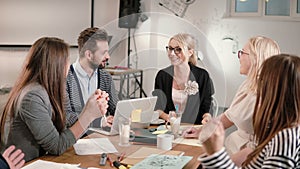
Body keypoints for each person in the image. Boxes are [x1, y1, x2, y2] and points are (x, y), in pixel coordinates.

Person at [0, 37, 108, 162]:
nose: (69, 66)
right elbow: (56, 146)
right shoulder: (32, 97)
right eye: (67, 61)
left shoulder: (55, 89)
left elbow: (68, 122)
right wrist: (88, 115)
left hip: (45, 161)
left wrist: (92, 107)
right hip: (27, 165)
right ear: (56, 65)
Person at [184, 36, 280, 159]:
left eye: (242, 53)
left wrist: (218, 161)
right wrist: (202, 131)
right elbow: (229, 116)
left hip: (247, 157)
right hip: (233, 149)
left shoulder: (269, 94)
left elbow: (258, 149)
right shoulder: (248, 84)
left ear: (255, 58)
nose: (239, 57)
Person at [199, 54, 300, 168]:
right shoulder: (279, 131)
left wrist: (216, 153)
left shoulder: (286, 138)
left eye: (262, 80)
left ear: (274, 90)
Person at [152, 33, 214, 124]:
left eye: (178, 49)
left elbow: (206, 107)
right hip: (168, 128)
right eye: (170, 49)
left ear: (190, 52)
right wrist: (168, 117)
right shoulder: (162, 76)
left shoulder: (202, 76)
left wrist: (207, 117)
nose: (172, 53)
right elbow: (158, 107)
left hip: (193, 128)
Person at [66, 27, 118, 128]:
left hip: (101, 136)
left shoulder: (105, 77)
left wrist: (118, 117)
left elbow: (115, 107)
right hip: (75, 139)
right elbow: (66, 117)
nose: (108, 57)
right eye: (103, 53)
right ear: (89, 55)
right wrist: (98, 123)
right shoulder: (66, 78)